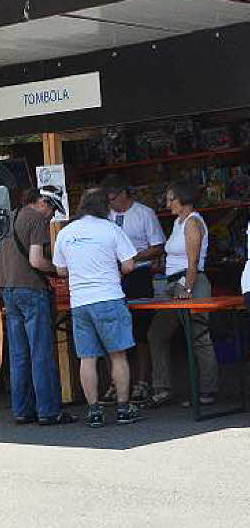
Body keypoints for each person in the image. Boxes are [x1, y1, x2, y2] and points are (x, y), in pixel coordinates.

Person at [52, 188, 140, 427]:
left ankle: (94, 411)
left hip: (80, 302)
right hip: (109, 297)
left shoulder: (66, 233)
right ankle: (123, 408)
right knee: (118, 355)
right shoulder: (111, 229)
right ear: (105, 207)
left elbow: (60, 270)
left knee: (87, 358)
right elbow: (129, 265)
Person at [0, 186, 74, 425]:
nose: (51, 215)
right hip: (31, 289)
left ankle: (22, 410)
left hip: (8, 289)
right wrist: (59, 270)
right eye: (51, 209)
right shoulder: (37, 220)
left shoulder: (10, 216)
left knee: (19, 353)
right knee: (41, 352)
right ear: (43, 202)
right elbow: (36, 260)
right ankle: (48, 411)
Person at [146, 182, 219, 407]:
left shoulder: (193, 222)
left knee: (198, 338)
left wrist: (187, 288)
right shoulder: (179, 223)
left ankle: (207, 390)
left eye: (171, 199)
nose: (167, 204)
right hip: (172, 283)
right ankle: (163, 387)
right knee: (157, 334)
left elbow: (193, 261)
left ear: (184, 199)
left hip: (189, 283)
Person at [103, 174, 166, 403]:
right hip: (113, 276)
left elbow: (158, 247)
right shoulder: (106, 216)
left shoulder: (144, 213)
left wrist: (133, 256)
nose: (111, 203)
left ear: (124, 193)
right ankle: (116, 383)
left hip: (138, 274)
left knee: (140, 331)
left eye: (113, 198)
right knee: (114, 331)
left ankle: (142, 381)